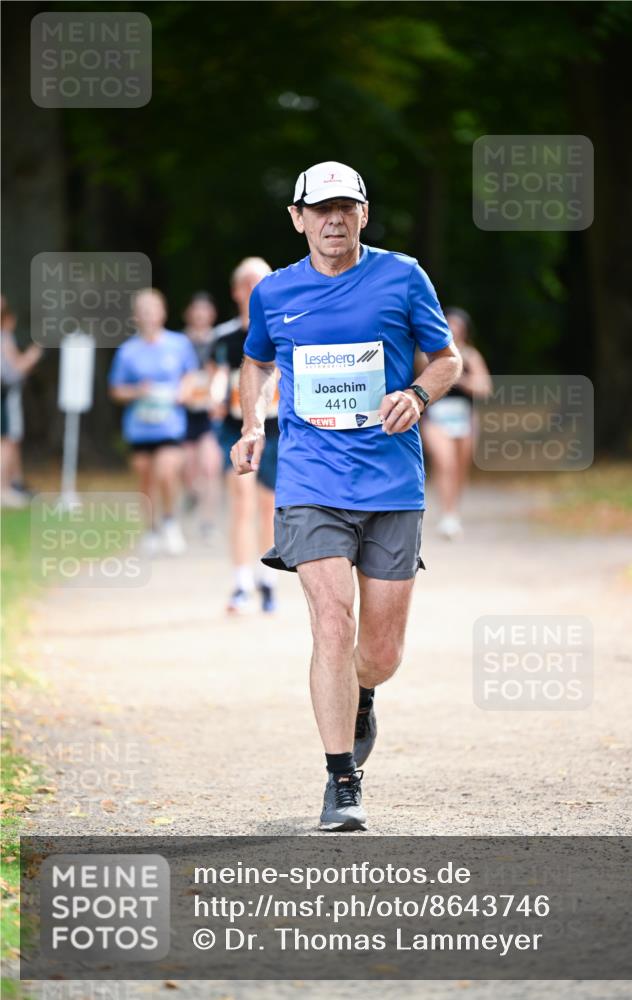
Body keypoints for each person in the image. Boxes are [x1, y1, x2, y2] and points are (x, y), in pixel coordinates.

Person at [230, 161, 462, 831]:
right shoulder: (274, 292)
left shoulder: (401, 276)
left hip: (391, 482)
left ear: (363, 214)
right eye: (319, 209)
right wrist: (252, 424)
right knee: (332, 622)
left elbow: (443, 358)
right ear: (297, 218)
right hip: (310, 481)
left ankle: (362, 695)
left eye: (345, 208)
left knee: (380, 653)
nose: (333, 220)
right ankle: (341, 781)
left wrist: (416, 395)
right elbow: (256, 358)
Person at [108, 288, 198, 555]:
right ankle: (150, 529)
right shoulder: (127, 351)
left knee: (166, 472)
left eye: (152, 309)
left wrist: (183, 391)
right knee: (145, 478)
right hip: (139, 426)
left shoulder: (178, 344)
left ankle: (170, 521)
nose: (148, 315)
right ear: (136, 316)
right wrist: (138, 391)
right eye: (143, 311)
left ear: (162, 312)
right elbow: (115, 389)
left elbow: (191, 375)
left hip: (169, 423)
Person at [214, 258, 280, 614]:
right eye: (250, 283)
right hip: (234, 426)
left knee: (268, 505)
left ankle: (267, 581)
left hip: (274, 428)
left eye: (262, 282)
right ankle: (241, 582)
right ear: (237, 290)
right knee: (241, 499)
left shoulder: (284, 329)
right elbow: (210, 379)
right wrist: (210, 396)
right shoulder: (223, 338)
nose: (256, 290)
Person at [420, 307, 492, 539]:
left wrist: (457, 377)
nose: (453, 329)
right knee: (445, 462)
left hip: (464, 418)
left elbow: (484, 387)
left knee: (460, 468)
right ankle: (446, 515)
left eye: (457, 326)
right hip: (436, 418)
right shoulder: (426, 353)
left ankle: (453, 513)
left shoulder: (471, 356)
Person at [180, 292, 223, 540]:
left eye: (204, 310)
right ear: (188, 314)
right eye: (195, 310)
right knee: (187, 467)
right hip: (184, 412)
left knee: (210, 467)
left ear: (211, 314)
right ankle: (192, 493)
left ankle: (208, 522)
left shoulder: (220, 340)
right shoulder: (178, 342)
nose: (199, 315)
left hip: (209, 412)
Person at [1, 296, 43, 508]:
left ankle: (13, 484)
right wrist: (32, 357)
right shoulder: (4, 338)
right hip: (5, 397)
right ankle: (4, 488)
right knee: (7, 441)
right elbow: (11, 374)